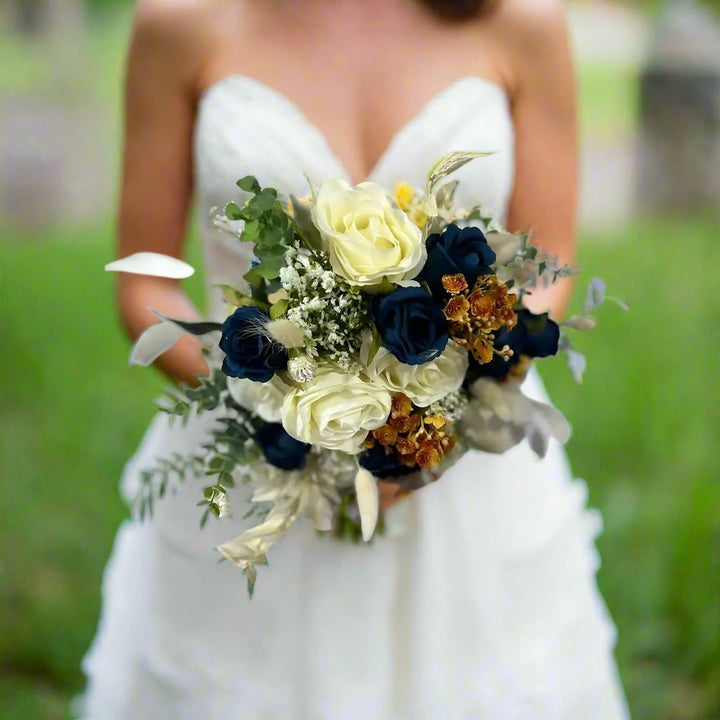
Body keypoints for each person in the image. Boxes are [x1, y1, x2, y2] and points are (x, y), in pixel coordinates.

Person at [80, 0, 630, 717]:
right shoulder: (180, 22)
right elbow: (145, 283)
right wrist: (285, 409)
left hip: (469, 478)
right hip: (251, 464)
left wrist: (438, 418)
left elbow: (548, 269)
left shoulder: (522, 22)